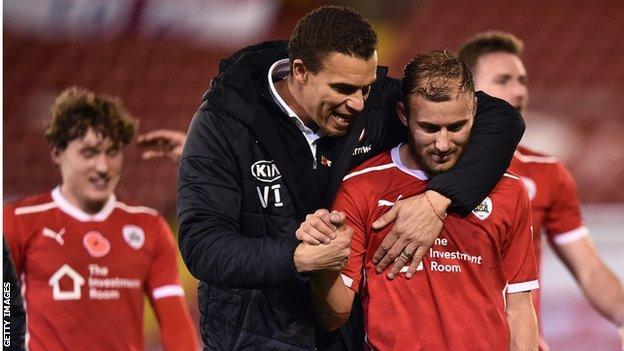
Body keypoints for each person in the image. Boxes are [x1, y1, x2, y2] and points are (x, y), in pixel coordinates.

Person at [177, 5, 526, 350]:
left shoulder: (374, 103)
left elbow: (501, 119)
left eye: (366, 88)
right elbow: (202, 245)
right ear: (300, 71)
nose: (357, 104)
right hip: (253, 335)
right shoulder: (224, 124)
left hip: (339, 336)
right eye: (343, 88)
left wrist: (438, 200)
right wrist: (296, 257)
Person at [309, 50, 539, 351]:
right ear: (404, 115)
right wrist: (323, 265)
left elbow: (520, 304)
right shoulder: (362, 187)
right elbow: (333, 317)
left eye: (457, 126)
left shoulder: (509, 191)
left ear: (475, 112)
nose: (443, 144)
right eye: (429, 128)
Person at [458, 31, 624, 349]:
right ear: (467, 90)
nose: (519, 91)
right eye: (503, 80)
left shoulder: (546, 174)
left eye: (522, 80)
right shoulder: (422, 169)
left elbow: (589, 269)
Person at [3, 87, 199, 351]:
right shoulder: (18, 222)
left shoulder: (149, 227)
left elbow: (176, 326)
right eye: (89, 153)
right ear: (57, 153)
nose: (103, 166)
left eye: (112, 151)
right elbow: (5, 315)